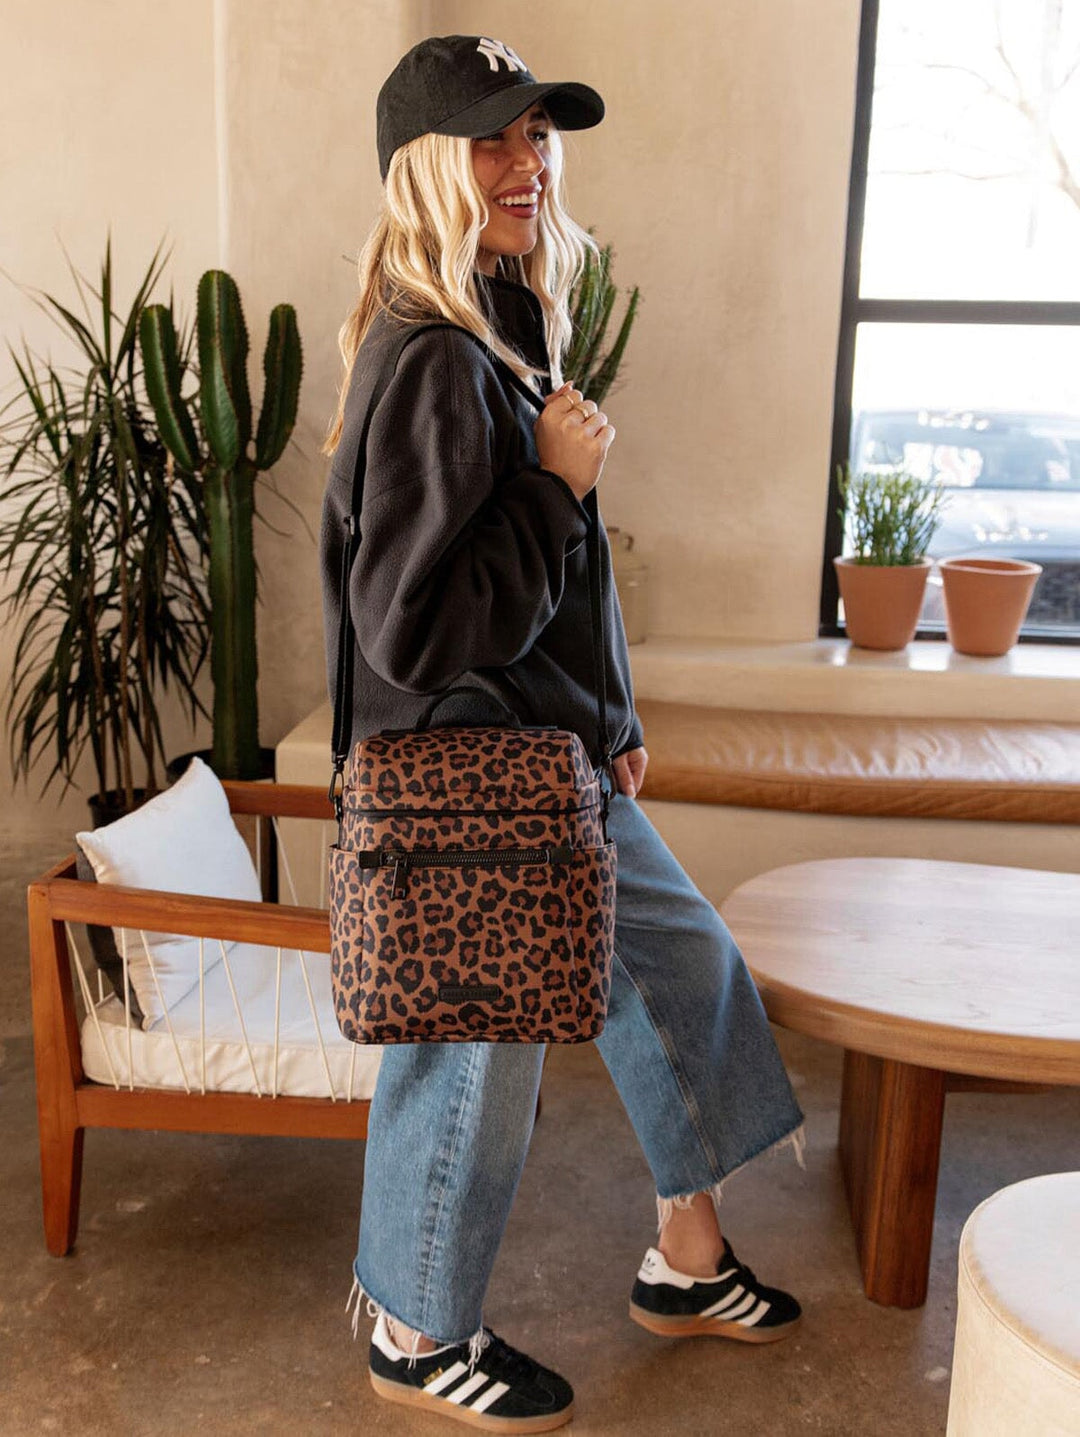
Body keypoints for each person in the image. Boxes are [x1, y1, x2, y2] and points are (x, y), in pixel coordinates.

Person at [319, 34, 805, 1434]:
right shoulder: (426, 361)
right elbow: (416, 628)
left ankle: (688, 1255)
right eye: (495, 140)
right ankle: (417, 1329)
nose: (528, 164)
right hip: (469, 778)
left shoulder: (503, 327)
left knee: (682, 965)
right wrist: (554, 481)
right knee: (473, 1048)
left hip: (551, 757)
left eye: (538, 136)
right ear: (427, 168)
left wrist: (614, 717)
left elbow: (557, 581)